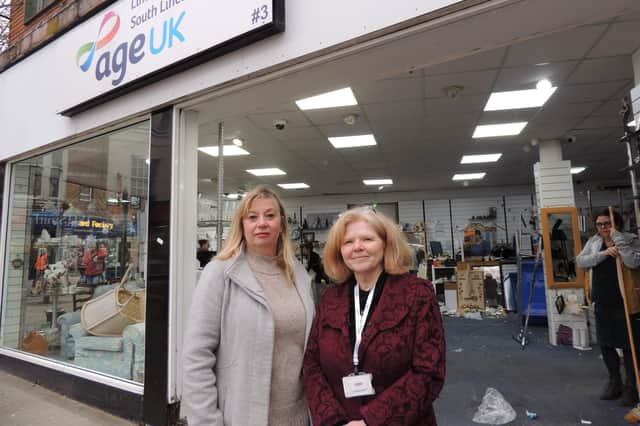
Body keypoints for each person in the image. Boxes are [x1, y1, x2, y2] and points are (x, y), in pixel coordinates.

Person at [182, 185, 315, 426]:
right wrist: (206, 421)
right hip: (242, 417)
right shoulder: (221, 272)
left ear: (282, 223)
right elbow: (196, 356)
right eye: (252, 217)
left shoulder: (298, 274)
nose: (261, 223)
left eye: (270, 215)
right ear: (242, 225)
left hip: (299, 416)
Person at [303, 207, 446, 426]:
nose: (357, 247)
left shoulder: (417, 294)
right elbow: (312, 363)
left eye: (367, 239)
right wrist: (332, 419)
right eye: (348, 242)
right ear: (339, 251)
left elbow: (429, 372)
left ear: (386, 244)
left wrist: (371, 421)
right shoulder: (331, 298)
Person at [576, 209, 640, 406]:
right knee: (606, 345)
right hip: (602, 301)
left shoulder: (631, 239)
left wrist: (618, 241)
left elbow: (633, 262)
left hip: (626, 303)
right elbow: (580, 261)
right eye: (600, 224)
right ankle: (615, 382)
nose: (604, 227)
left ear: (617, 223)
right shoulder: (594, 242)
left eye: (607, 223)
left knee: (630, 347)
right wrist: (605, 253)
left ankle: (632, 386)